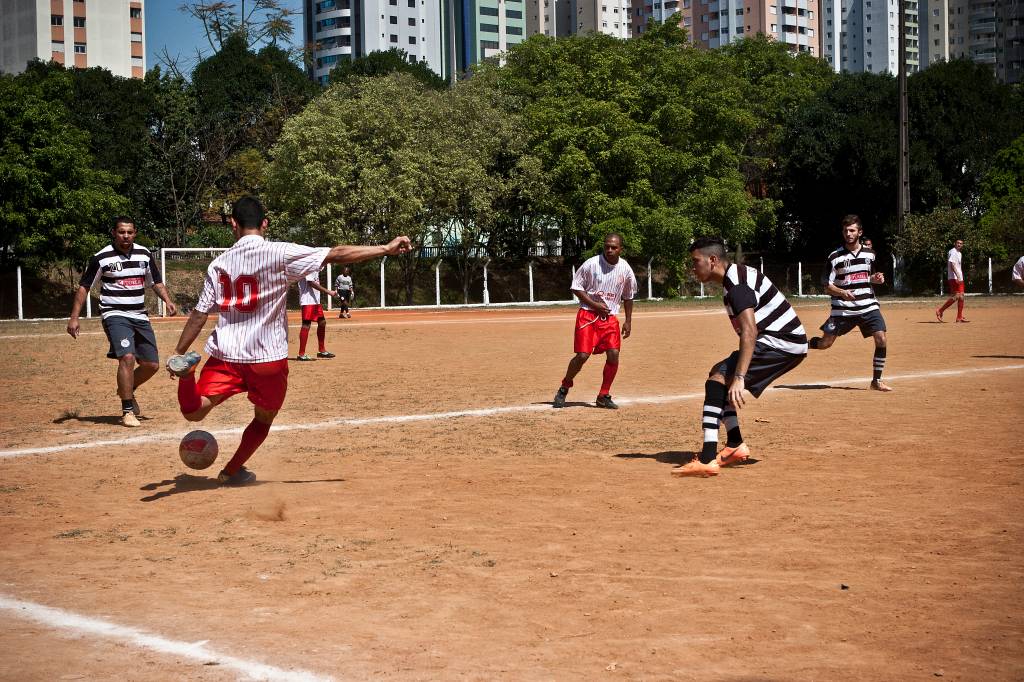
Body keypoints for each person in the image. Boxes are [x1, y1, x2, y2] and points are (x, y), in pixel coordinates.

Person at [165, 196, 411, 486]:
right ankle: (231, 471)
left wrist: (179, 352)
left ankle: (187, 375)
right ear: (265, 223)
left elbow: (199, 314)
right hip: (267, 357)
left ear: (233, 224)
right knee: (264, 418)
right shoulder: (280, 253)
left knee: (195, 411)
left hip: (226, 354)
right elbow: (336, 253)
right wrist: (384, 248)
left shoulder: (219, 264)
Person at [674, 237, 808, 478]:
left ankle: (707, 459)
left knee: (717, 380)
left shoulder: (736, 284)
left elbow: (749, 330)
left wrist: (739, 376)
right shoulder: (734, 278)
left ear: (712, 260)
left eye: (696, 262)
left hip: (780, 343)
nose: (692, 268)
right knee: (717, 375)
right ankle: (735, 445)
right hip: (782, 342)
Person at [67, 217, 178, 427]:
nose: (125, 236)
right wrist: (74, 317)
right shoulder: (102, 257)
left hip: (140, 314)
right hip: (114, 313)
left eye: (129, 232)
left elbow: (155, 282)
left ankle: (126, 388)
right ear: (114, 233)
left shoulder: (144, 254)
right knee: (126, 357)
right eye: (121, 232)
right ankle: (127, 410)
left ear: (135, 233)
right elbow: (84, 287)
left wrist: (168, 301)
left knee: (151, 365)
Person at [808, 215, 893, 392]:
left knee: (881, 338)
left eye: (852, 230)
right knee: (825, 344)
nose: (848, 233)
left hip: (868, 305)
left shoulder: (870, 254)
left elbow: (869, 277)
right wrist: (841, 292)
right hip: (843, 310)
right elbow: (826, 285)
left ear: (859, 232)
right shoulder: (835, 257)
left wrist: (877, 279)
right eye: (846, 230)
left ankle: (876, 381)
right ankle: (800, 344)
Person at [552, 233, 637, 410]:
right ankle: (564, 387)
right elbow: (576, 287)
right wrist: (594, 304)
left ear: (620, 248)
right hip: (588, 315)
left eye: (614, 247)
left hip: (610, 318)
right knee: (583, 355)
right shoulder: (591, 264)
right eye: (607, 246)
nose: (610, 250)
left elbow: (628, 297)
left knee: (614, 353)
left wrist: (628, 321)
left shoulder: (625, 269)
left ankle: (603, 395)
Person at [296, 273, 337, 361]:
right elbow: (311, 283)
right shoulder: (309, 265)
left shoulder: (316, 266)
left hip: (315, 301)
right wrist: (328, 292)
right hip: (308, 300)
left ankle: (322, 351)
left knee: (322, 322)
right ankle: (301, 354)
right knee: (306, 324)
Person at [936, 239, 968, 322]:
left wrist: (960, 276)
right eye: (958, 243)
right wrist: (957, 275)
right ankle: (940, 310)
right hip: (954, 277)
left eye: (961, 243)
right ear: (955, 244)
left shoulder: (959, 253)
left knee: (961, 296)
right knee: (956, 296)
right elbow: (952, 264)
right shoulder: (953, 251)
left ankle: (959, 317)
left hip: (959, 277)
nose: (959, 244)